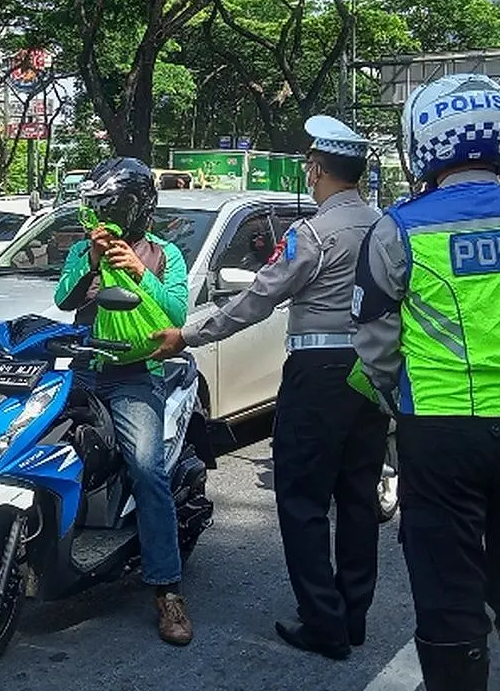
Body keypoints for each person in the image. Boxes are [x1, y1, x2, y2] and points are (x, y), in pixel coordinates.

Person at [352, 73, 500, 691]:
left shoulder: (399, 230)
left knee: (448, 589)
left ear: (421, 146)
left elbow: (374, 344)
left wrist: (392, 399)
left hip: (439, 435)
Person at [153, 115, 388, 660]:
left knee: (302, 498)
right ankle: (352, 617)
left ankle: (324, 623)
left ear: (319, 169)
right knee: (356, 497)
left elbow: (258, 298)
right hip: (371, 372)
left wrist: (186, 334)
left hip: (319, 377)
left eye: (310, 164)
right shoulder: (383, 226)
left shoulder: (313, 234)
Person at [53, 157, 193, 645]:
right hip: (81, 372)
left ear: (135, 207)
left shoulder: (164, 255)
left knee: (147, 470)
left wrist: (140, 272)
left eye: (109, 205)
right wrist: (91, 262)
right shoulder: (81, 250)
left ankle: (167, 592)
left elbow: (177, 314)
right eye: (97, 207)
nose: (101, 215)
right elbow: (63, 303)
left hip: (136, 376)